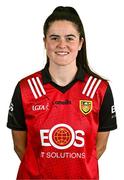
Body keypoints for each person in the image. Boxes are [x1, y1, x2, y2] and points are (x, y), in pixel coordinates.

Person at [7, 6, 117, 180]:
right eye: (54, 38)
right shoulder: (26, 88)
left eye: (70, 38)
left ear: (80, 43)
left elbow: (98, 148)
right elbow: (20, 147)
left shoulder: (98, 89)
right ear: (45, 42)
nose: (62, 44)